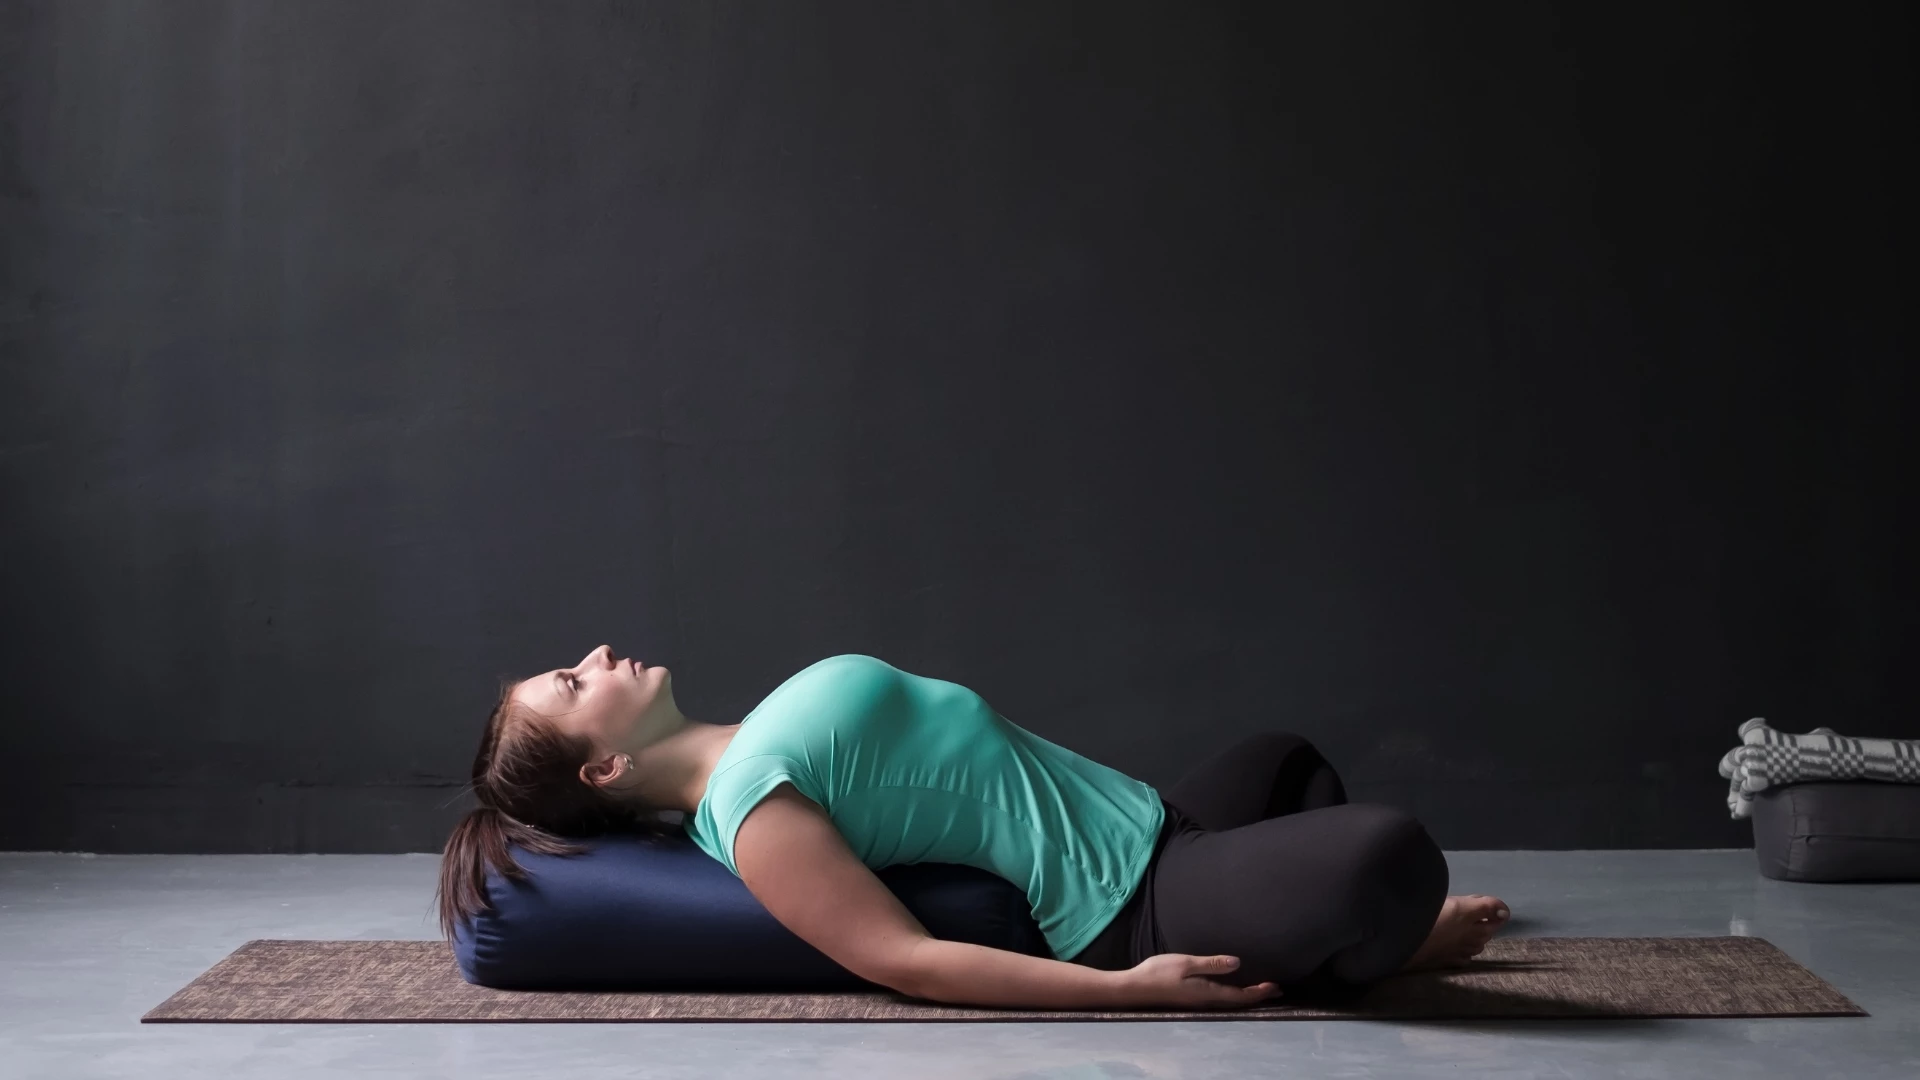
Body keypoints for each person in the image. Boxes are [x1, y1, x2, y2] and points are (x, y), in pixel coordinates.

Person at [436, 647, 1510, 1010]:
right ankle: (1371, 954)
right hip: (1128, 907)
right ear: (608, 766)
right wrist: (1122, 995)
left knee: (1286, 757)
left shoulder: (751, 740)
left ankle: (1318, 938)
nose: (597, 655)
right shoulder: (749, 811)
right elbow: (899, 958)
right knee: (1389, 854)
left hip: (1153, 824)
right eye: (574, 683)